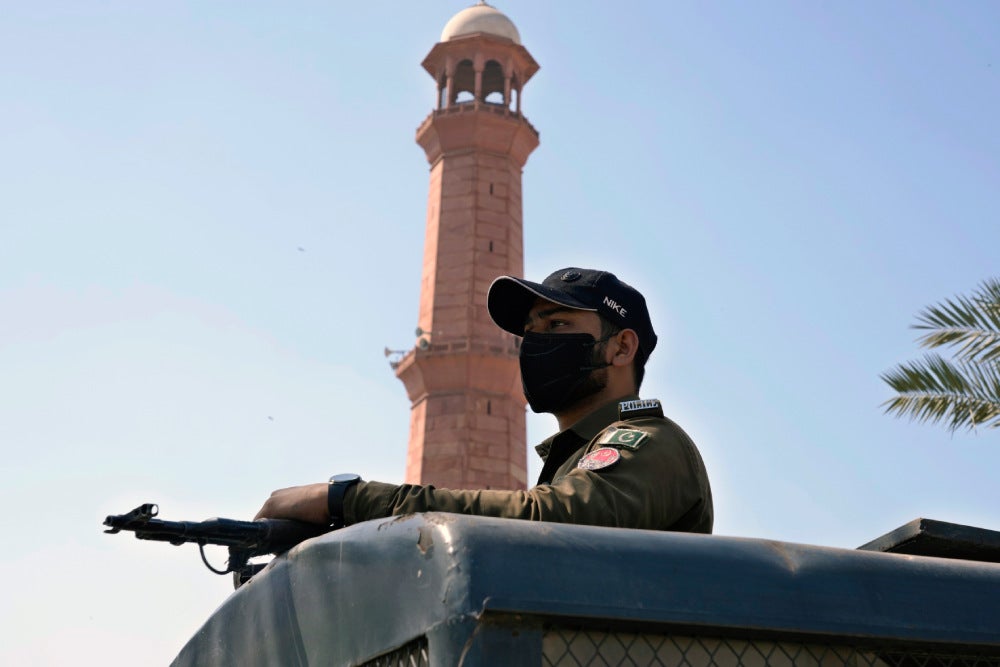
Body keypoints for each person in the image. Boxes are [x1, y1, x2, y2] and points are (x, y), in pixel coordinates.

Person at [255, 267, 713, 533]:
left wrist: (348, 500)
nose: (535, 346)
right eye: (530, 333)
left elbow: (546, 522)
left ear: (621, 348)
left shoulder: (650, 443)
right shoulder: (576, 458)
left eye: (556, 327)